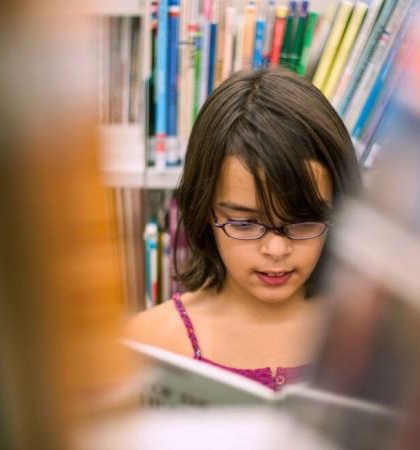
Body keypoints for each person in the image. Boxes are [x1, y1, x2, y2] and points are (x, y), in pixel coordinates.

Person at [126, 68, 362, 390]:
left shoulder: (365, 337)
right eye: (245, 223)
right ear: (205, 210)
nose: (276, 250)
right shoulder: (151, 343)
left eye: (304, 221)